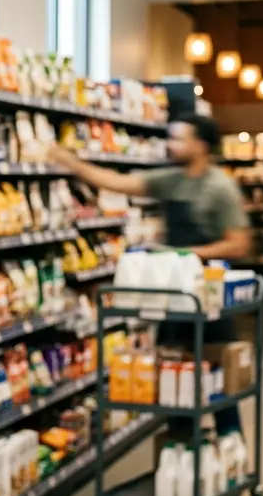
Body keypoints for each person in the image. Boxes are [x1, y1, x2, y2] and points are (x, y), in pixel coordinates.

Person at [49, 113, 249, 435]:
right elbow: (118, 183)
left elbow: (239, 244)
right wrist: (73, 164)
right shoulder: (171, 179)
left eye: (179, 138)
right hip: (173, 297)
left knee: (221, 384)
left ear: (200, 145)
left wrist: (186, 254)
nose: (171, 144)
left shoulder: (220, 188)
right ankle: (182, 446)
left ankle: (230, 452)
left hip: (207, 299)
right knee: (174, 382)